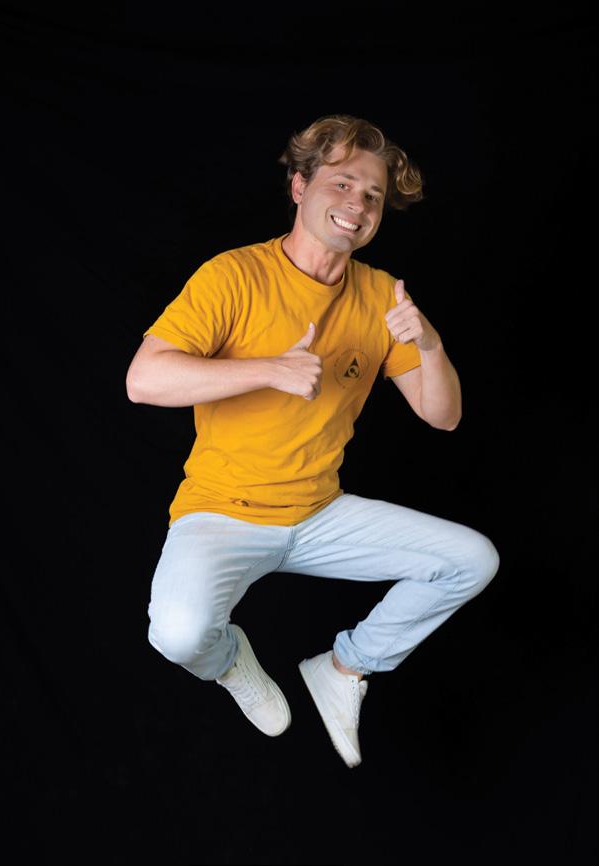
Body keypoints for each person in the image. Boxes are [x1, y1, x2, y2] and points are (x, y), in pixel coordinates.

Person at [126, 114, 500, 768]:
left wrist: (431, 345)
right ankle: (230, 661)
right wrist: (269, 369)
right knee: (179, 635)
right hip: (223, 511)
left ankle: (344, 667)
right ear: (300, 187)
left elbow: (443, 416)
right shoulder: (234, 276)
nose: (357, 204)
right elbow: (143, 379)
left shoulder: (381, 295)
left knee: (471, 559)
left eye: (373, 195)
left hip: (319, 513)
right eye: (342, 183)